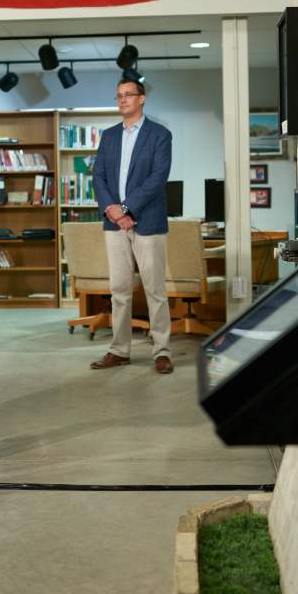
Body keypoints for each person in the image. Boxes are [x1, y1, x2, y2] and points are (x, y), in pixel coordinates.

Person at [89, 78, 174, 374]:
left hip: (147, 222)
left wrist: (126, 208)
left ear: (142, 98)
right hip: (115, 225)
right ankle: (119, 350)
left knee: (155, 290)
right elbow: (97, 176)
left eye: (128, 95)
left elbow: (157, 178)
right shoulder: (109, 136)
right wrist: (114, 211)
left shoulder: (160, 135)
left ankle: (161, 351)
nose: (122, 100)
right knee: (119, 290)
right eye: (118, 96)